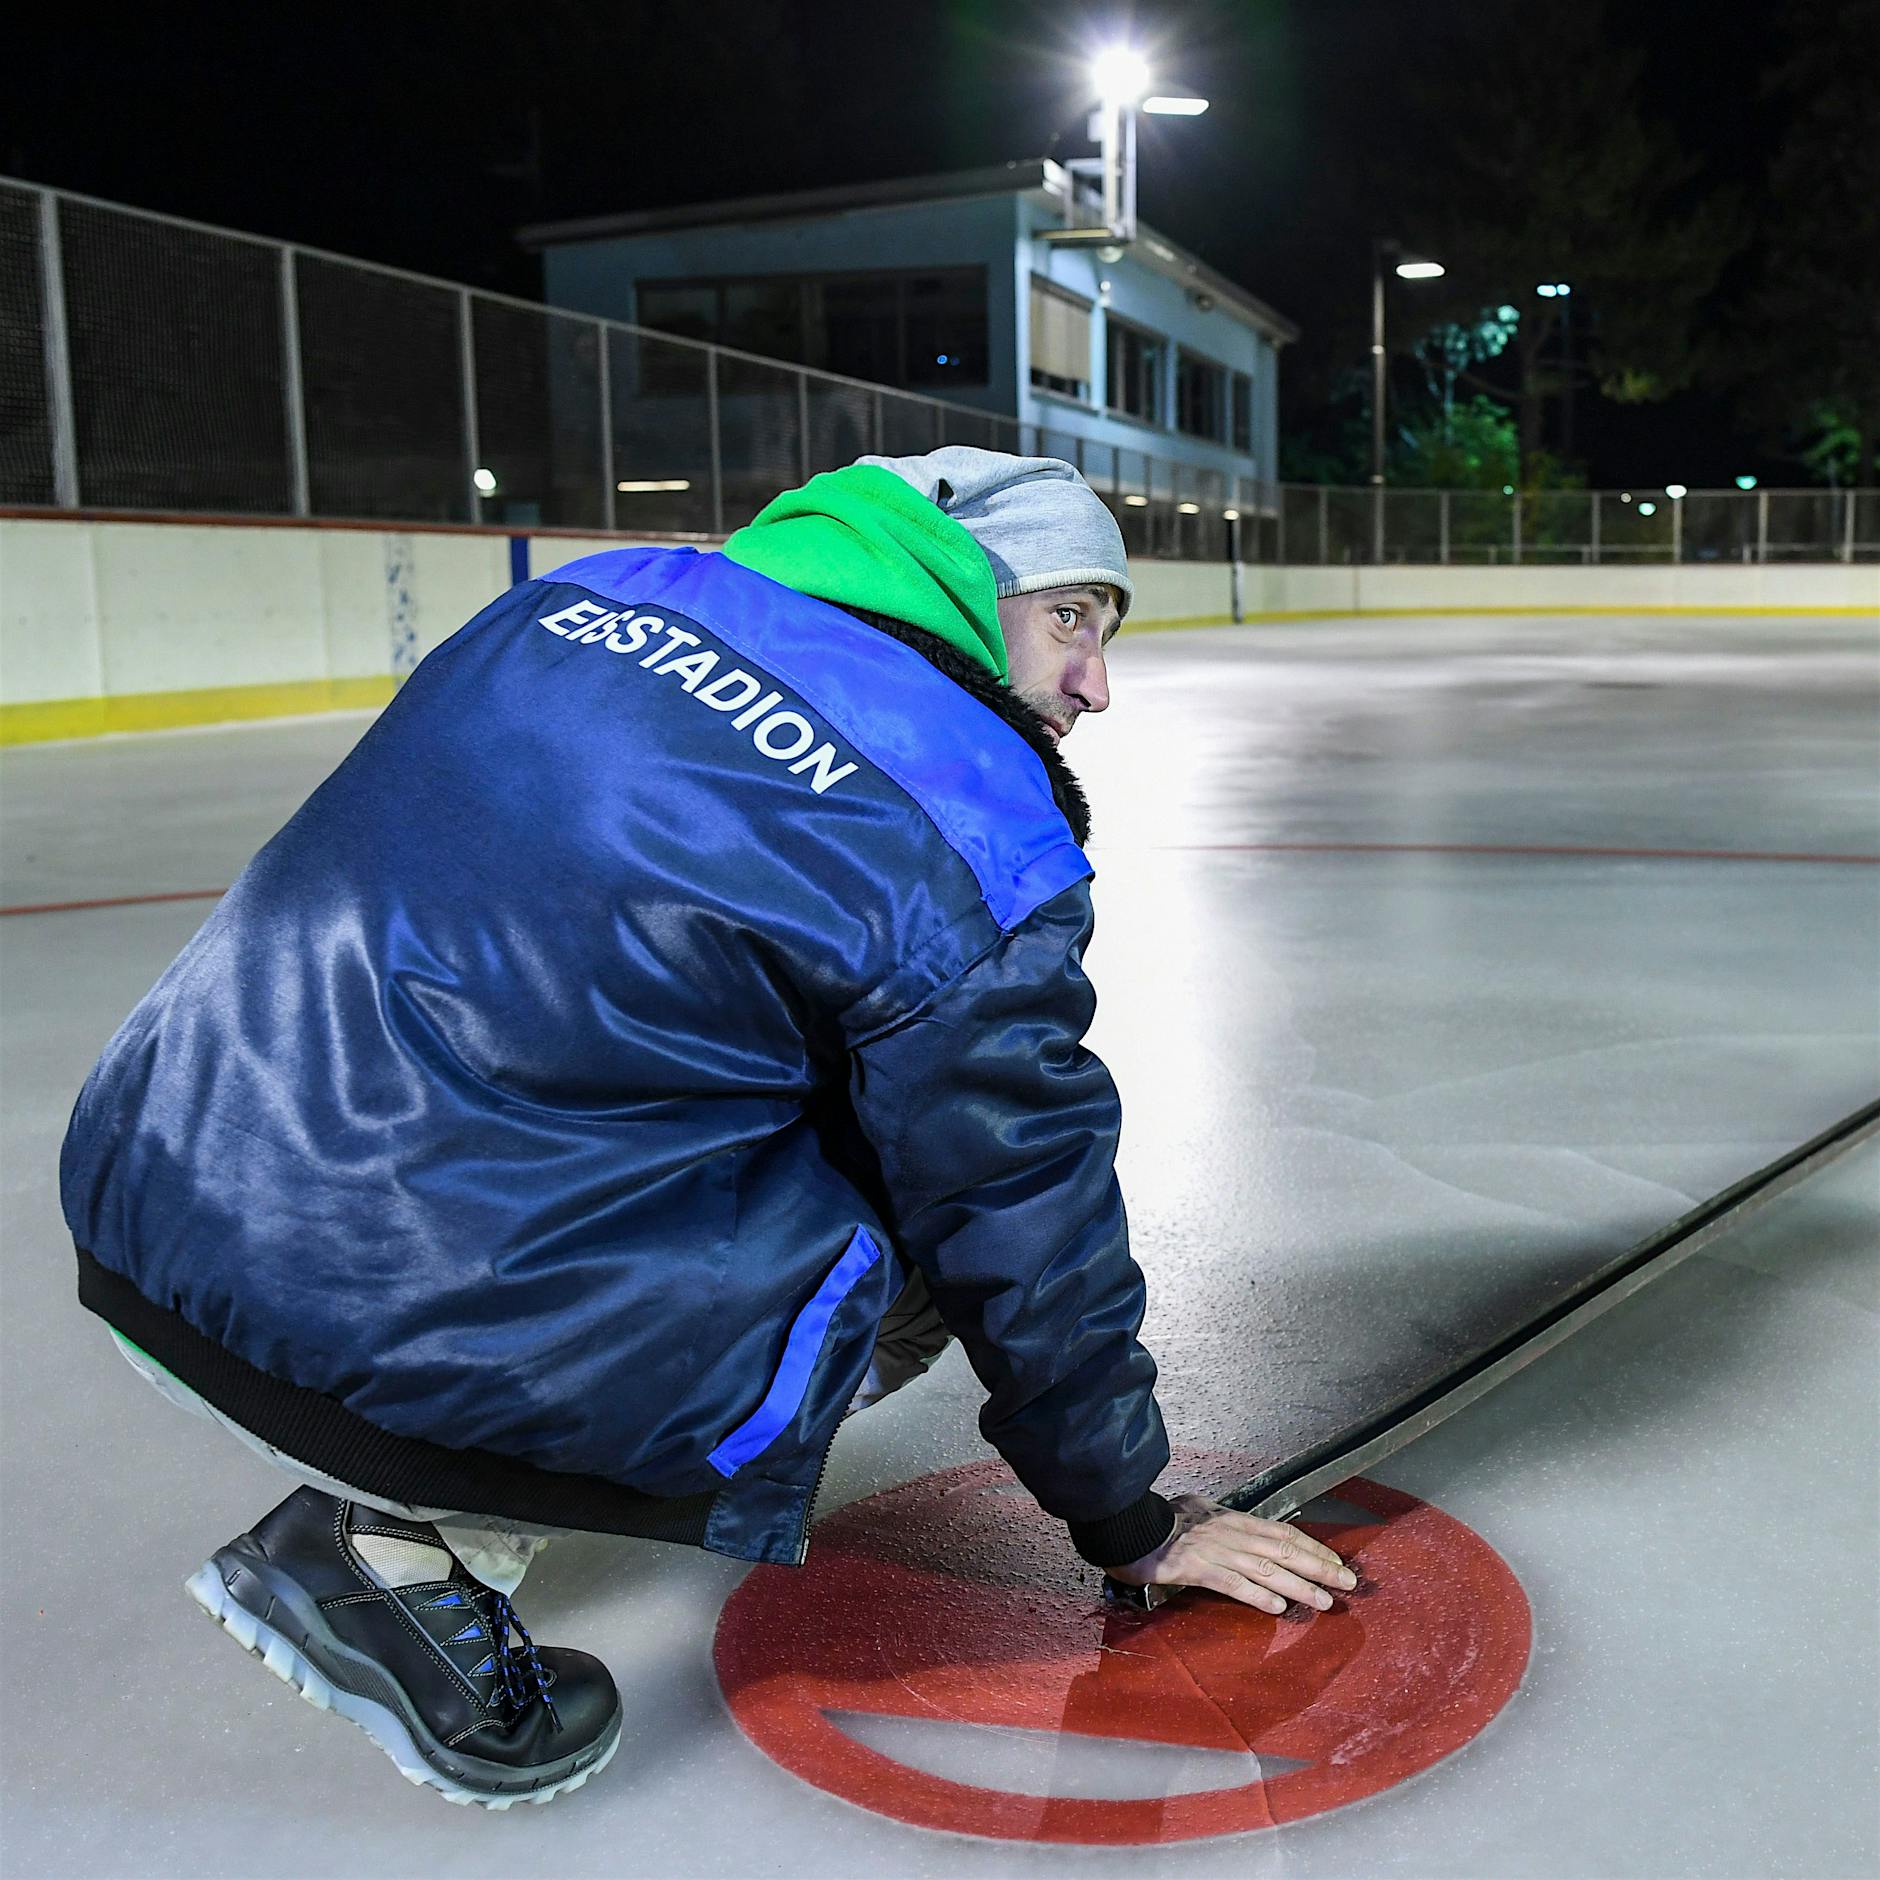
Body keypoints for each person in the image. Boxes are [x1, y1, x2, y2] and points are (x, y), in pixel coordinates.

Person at [61, 447, 1354, 1809]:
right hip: (381, 1300)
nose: (1095, 681)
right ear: (966, 587)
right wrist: (1130, 1514)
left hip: (156, 1178)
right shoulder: (962, 813)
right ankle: (388, 1549)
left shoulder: (586, 595)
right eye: (1074, 616)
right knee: (907, 1221)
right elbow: (1016, 1193)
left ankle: (415, 1459)